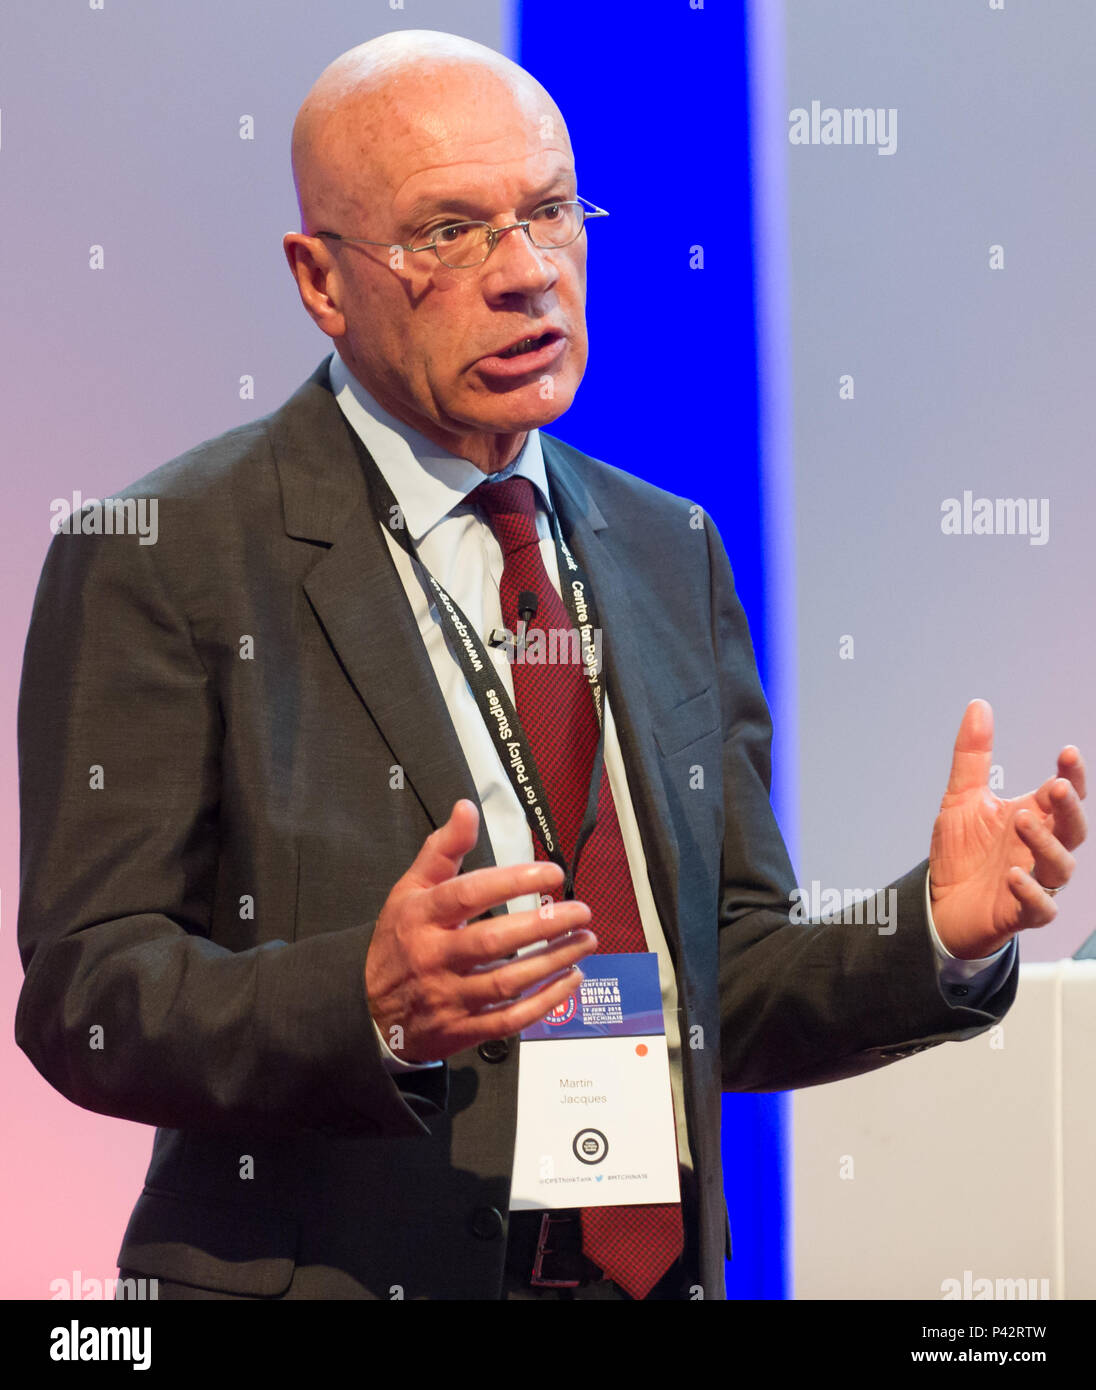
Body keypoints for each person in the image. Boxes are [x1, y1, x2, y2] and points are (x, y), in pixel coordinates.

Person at [14, 30, 1086, 1301]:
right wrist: (361, 1002)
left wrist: (929, 932)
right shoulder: (166, 554)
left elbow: (721, 969)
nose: (527, 274)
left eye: (549, 212)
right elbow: (87, 992)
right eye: (449, 233)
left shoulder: (662, 543)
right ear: (319, 278)